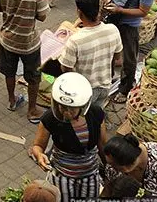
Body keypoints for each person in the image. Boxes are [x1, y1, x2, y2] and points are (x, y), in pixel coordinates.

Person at [30, 73, 107, 202]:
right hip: (62, 176)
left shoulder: (96, 114)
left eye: (72, 109)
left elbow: (103, 144)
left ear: (82, 106)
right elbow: (37, 146)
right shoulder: (50, 118)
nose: (66, 112)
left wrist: (109, 168)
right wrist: (39, 156)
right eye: (62, 107)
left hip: (90, 174)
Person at [101, 0, 156, 103]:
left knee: (129, 58)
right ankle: (108, 78)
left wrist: (121, 10)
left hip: (129, 24)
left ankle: (125, 89)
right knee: (109, 51)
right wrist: (105, 0)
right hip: (113, 18)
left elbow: (143, 11)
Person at [58, 0, 123, 110]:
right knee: (97, 113)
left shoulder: (75, 40)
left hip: (85, 91)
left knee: (83, 118)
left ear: (79, 12)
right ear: (98, 9)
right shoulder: (113, 30)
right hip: (105, 85)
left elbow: (65, 67)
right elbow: (117, 56)